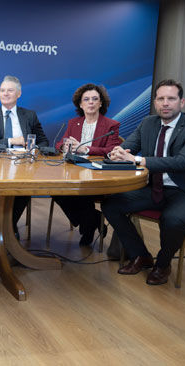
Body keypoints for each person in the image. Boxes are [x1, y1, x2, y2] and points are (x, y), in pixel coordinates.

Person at [102, 79, 185, 285]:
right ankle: (140, 255)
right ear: (155, 102)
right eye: (160, 99)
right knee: (111, 205)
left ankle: (163, 264)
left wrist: (137, 159)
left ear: (181, 102)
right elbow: (129, 147)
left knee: (172, 219)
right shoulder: (148, 123)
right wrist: (118, 153)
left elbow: (182, 162)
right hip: (157, 187)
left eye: (171, 99)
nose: (165, 103)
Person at [0, 75, 48, 238]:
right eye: (2, 90)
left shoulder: (29, 115)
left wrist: (33, 147)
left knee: (24, 190)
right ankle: (6, 230)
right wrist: (11, 141)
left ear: (19, 94)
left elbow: (43, 141)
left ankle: (7, 227)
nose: (5, 93)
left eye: (10, 90)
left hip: (23, 165)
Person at [52, 83, 120, 246]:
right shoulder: (73, 123)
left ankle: (88, 228)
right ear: (80, 104)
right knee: (55, 190)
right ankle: (93, 220)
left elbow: (111, 150)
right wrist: (64, 146)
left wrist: (86, 149)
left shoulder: (111, 125)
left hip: (97, 173)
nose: (91, 102)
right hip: (73, 170)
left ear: (101, 103)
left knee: (82, 191)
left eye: (95, 99)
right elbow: (60, 143)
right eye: (86, 99)